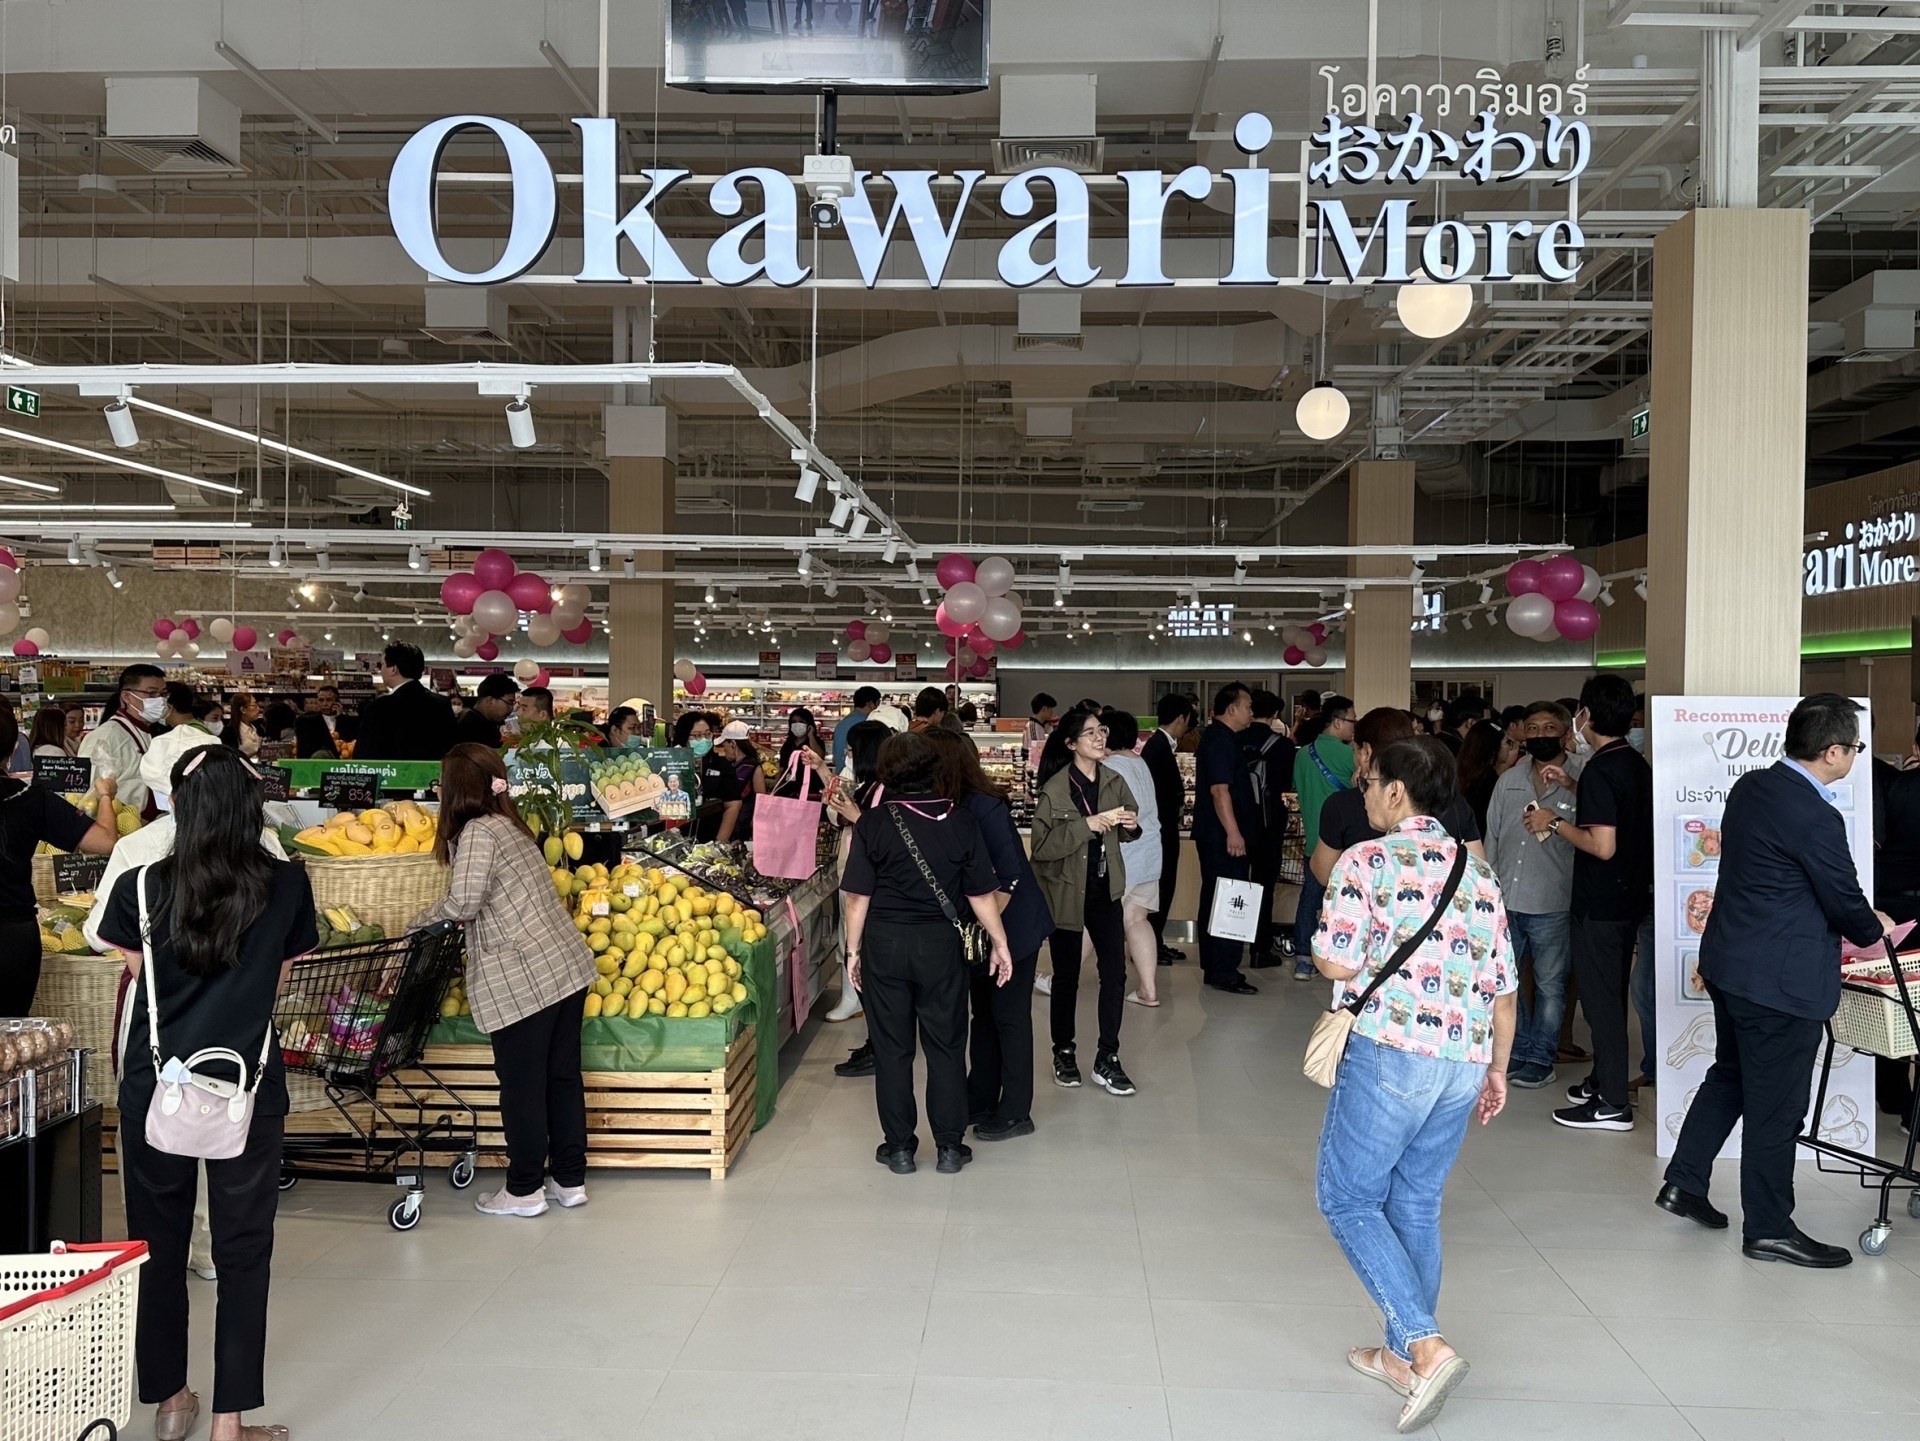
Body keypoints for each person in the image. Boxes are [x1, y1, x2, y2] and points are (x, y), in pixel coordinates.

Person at [96, 745, 315, 1441]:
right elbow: (278, 980)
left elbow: (141, 974)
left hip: (156, 1084)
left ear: (179, 806)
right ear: (251, 807)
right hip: (247, 1082)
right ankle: (229, 1422)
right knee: (243, 1249)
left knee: (155, 1242)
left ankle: (170, 1402)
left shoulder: (139, 886)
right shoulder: (288, 885)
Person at [1313, 737, 1517, 1434]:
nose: (1365, 794)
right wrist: (1497, 1069)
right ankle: (1402, 1356)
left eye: (1370, 782)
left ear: (1396, 791)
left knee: (1348, 1196)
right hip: (1464, 1060)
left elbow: (1335, 964)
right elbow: (1504, 989)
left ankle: (1425, 1346)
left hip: (1392, 1052)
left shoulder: (1366, 860)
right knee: (1418, 1201)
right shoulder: (1477, 872)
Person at [1659, 695, 1894, 1267]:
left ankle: (1685, 1182)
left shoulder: (1752, 786)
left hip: (1730, 964)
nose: (1855, 757)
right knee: (1776, 1106)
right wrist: (1875, 926)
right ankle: (1767, 1228)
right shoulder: (1814, 814)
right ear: (1833, 752)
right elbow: (1842, 897)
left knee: (1731, 1075)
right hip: (1779, 982)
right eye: (1855, 748)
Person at [412, 744, 597, 1216]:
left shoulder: (478, 832)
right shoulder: (509, 824)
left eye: (442, 783)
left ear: (456, 788)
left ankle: (524, 1189)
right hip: (564, 965)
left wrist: (416, 924)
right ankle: (569, 1180)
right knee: (561, 1077)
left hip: (523, 976)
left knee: (522, 1086)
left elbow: (463, 902)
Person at [840, 731, 1013, 1173]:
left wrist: (853, 953)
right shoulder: (960, 820)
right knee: (946, 1046)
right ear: (934, 769)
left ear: (887, 772)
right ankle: (950, 1147)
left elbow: (857, 897)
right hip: (941, 947)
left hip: (884, 945)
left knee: (892, 1049)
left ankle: (899, 1148)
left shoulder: (873, 823)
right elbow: (980, 894)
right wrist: (1000, 942)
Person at [1536, 673, 1654, 1133]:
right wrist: (1572, 785)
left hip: (1600, 904)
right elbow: (1618, 811)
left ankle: (1612, 1103)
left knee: (1602, 1003)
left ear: (1586, 715)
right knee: (1611, 995)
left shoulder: (1602, 769)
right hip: (1628, 898)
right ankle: (1602, 1079)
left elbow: (1602, 845)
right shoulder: (1631, 762)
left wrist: (1553, 822)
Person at [924, 728, 1052, 1140]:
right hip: (982, 931)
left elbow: (1008, 877)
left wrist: (992, 934)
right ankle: (979, 1096)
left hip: (1013, 927)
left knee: (1009, 1018)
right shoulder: (947, 805)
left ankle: (1015, 1110)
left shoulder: (985, 806)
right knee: (983, 1015)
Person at [1031, 708, 1143, 1094]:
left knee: (1115, 974)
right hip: (1066, 891)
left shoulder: (1114, 780)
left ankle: (1107, 1056)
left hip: (1105, 889)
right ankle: (1063, 1052)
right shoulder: (1055, 790)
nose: (1099, 738)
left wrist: (1130, 826)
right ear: (1070, 743)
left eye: (1102, 730)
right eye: (1090, 733)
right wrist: (1086, 826)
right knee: (1066, 977)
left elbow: (1130, 825)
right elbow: (1042, 849)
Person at [1483, 702, 1580, 1090]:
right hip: (1508, 897)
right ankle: (1519, 1049)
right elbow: (1492, 835)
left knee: (1550, 986)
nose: (1540, 735)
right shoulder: (1509, 779)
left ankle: (1542, 1057)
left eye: (1549, 728)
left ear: (1565, 732)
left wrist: (1573, 790)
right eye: (1533, 728)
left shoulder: (1580, 777)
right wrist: (1490, 889)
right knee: (1507, 982)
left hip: (1554, 900)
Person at [0, 699, 118, 1013]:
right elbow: (106, 842)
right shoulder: (31, 799)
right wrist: (105, 795)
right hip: (12, 937)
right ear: (14, 748)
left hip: (13, 933)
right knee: (12, 1031)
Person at [825, 719, 895, 1044]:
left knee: (863, 949)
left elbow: (884, 836)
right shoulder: (866, 785)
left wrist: (857, 818)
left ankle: (877, 1038)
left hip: (871, 885)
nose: (848, 755)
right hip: (858, 876)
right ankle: (866, 1021)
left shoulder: (884, 790)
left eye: (852, 750)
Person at [1192, 683, 1262, 995]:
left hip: (1217, 836)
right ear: (1232, 709)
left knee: (1218, 897)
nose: (1251, 713)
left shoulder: (1220, 737)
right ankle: (1224, 969)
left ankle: (1217, 966)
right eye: (1247, 707)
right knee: (1228, 899)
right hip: (1222, 838)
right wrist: (1233, 832)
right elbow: (1220, 791)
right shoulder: (1220, 741)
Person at [1095, 709, 1164, 1007]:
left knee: (1092, 917)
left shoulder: (1108, 767)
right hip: (1149, 854)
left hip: (1122, 855)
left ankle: (1059, 977)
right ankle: (1148, 989)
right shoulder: (1139, 762)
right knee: (1137, 919)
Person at [1288, 695, 1357, 980]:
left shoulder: (1303, 754)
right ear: (1338, 722)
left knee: (1310, 899)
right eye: (1352, 721)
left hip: (1314, 842)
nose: (1354, 727)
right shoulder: (1350, 755)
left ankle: (1303, 960)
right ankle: (1340, 959)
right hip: (1344, 844)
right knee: (1346, 901)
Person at [1242, 689, 1298, 969]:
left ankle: (1231, 945)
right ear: (1275, 714)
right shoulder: (1284, 746)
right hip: (1269, 823)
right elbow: (1286, 784)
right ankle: (1259, 949)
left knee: (1236, 885)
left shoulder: (1234, 739)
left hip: (1238, 824)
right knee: (1264, 887)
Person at [1142, 694, 1196, 964]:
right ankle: (1151, 943)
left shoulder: (1159, 744)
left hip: (1162, 829)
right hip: (1161, 830)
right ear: (1181, 718)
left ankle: (1156, 941)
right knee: (1161, 887)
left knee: (1164, 886)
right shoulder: (1158, 747)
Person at [78, 662, 169, 814]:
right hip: (117, 824)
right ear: (127, 697)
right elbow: (87, 797)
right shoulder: (105, 736)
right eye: (152, 693)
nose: (160, 700)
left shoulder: (144, 731)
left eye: (163, 694)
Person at [354, 643, 459, 761]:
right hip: (433, 772)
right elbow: (452, 750)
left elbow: (365, 756)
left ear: (393, 669)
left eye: (382, 664)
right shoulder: (442, 704)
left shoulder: (379, 708)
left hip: (391, 772)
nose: (380, 670)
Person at [677, 712, 745, 842]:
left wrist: (719, 842)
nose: (703, 739)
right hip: (677, 837)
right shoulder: (671, 764)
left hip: (710, 835)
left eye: (707, 734)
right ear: (684, 736)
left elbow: (733, 805)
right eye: (697, 735)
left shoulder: (721, 765)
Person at [716, 720, 767, 840]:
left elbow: (761, 797)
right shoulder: (743, 765)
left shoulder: (752, 767)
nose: (724, 749)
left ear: (733, 744)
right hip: (734, 823)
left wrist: (756, 820)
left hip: (741, 823)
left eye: (724, 744)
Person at [1455, 718, 1505, 831]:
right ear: (1494, 748)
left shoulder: (1462, 772)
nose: (1509, 748)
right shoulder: (1489, 780)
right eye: (1507, 743)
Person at [456, 674, 519, 749]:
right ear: (490, 700)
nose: (511, 708)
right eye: (509, 702)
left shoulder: (482, 722)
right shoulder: (473, 729)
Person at [832, 686, 881, 769]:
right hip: (861, 775)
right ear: (870, 704)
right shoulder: (870, 724)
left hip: (841, 774)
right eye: (878, 703)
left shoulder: (840, 725)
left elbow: (835, 759)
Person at [779, 706, 828, 771]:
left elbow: (820, 758)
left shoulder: (818, 742)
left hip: (811, 777)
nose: (797, 725)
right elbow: (782, 767)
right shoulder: (788, 744)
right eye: (794, 722)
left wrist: (811, 736)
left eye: (801, 721)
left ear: (809, 724)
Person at [224, 693, 263, 759]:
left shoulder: (258, 728)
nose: (258, 709)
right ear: (243, 709)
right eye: (254, 705)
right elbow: (230, 758)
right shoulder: (229, 732)